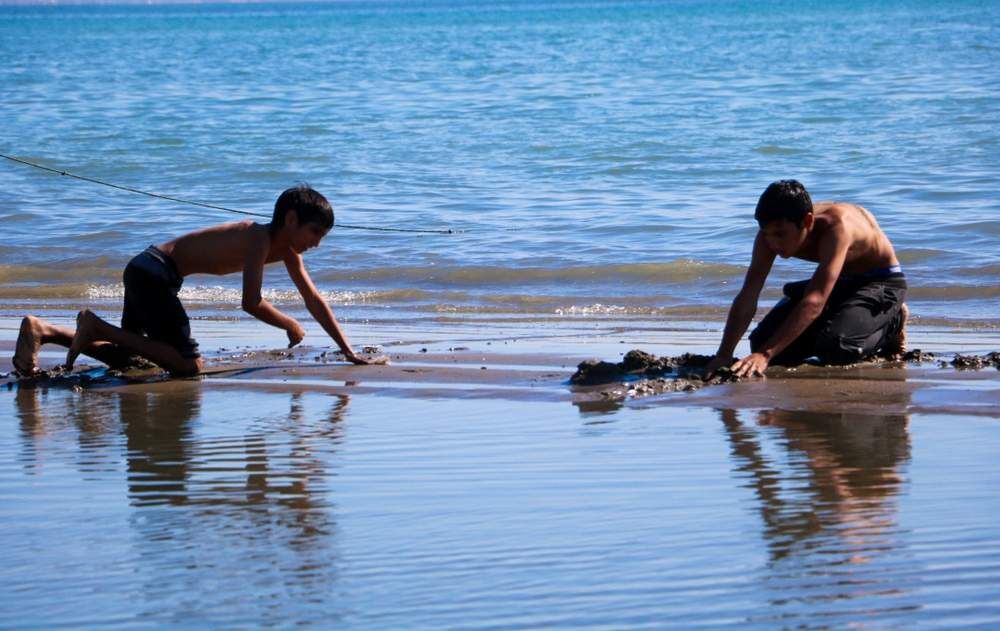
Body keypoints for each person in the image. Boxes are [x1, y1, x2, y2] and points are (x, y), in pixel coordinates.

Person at [12, 185, 376, 377]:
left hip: (148, 270)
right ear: (292, 219)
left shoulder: (287, 253)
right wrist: (290, 323)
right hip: (155, 272)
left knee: (131, 358)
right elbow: (250, 303)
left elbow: (314, 298)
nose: (317, 243)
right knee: (188, 366)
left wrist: (347, 349)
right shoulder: (258, 238)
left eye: (323, 236)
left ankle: (44, 331)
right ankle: (93, 325)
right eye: (315, 232)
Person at [706, 180, 908, 378]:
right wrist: (724, 354)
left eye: (780, 234)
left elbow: (814, 301)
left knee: (837, 349)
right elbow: (748, 293)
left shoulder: (838, 229)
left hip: (879, 282)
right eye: (767, 234)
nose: (773, 243)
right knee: (762, 341)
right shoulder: (768, 236)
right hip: (839, 282)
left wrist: (765, 355)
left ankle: (894, 320)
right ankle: (843, 321)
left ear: (808, 222)